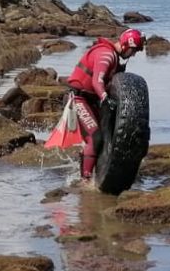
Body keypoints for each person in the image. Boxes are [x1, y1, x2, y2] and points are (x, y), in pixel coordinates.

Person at [48, 28, 146, 184]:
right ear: (126, 45)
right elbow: (97, 82)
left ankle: (91, 169)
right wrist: (105, 98)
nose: (133, 55)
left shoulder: (113, 56)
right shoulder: (106, 55)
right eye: (133, 50)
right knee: (95, 137)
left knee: (106, 135)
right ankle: (85, 181)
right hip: (77, 99)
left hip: (90, 100)